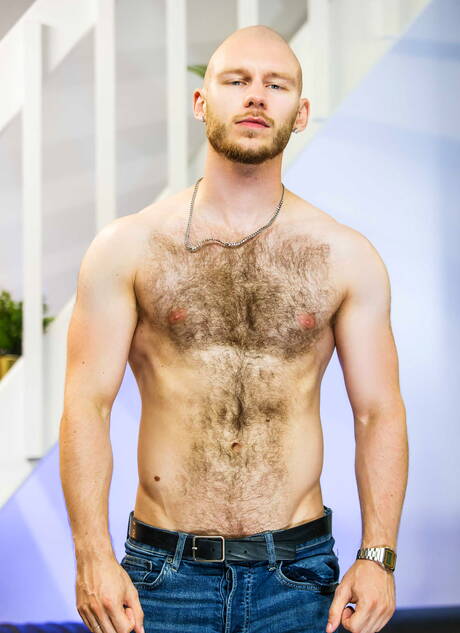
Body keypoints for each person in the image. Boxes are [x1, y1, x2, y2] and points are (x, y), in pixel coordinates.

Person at [59, 24, 408, 633]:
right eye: (237, 81)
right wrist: (92, 556)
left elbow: (378, 412)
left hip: (298, 578)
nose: (255, 96)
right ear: (202, 102)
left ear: (300, 113)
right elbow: (87, 404)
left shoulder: (344, 256)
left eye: (276, 85)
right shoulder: (129, 247)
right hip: (162, 580)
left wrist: (378, 556)